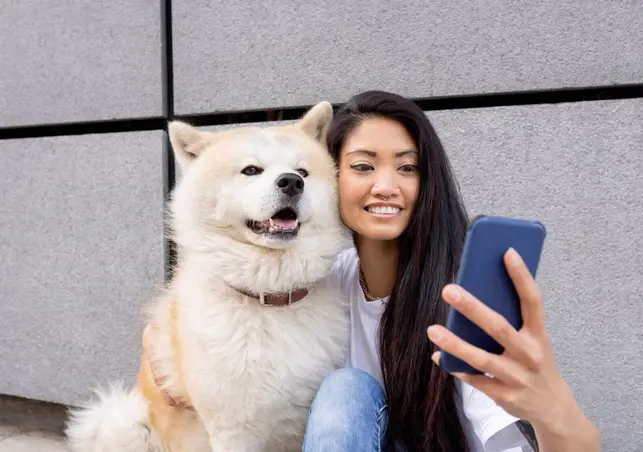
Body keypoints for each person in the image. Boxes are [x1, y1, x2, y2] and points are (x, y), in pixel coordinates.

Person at [146, 90, 601, 452]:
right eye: (363, 166)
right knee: (346, 391)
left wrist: (553, 408)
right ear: (334, 178)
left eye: (407, 168)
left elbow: (571, 443)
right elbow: (229, 284)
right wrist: (174, 363)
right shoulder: (316, 281)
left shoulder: (459, 297)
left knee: (344, 391)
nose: (386, 185)